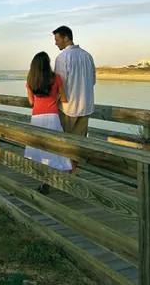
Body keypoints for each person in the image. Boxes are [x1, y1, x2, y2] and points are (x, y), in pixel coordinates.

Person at [24, 51, 73, 194]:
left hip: (37, 117)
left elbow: (31, 101)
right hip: (52, 116)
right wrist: (57, 97)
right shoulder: (55, 78)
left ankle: (43, 178)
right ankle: (54, 177)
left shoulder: (30, 80)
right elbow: (64, 98)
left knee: (39, 147)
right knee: (55, 146)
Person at [53, 26, 96, 174]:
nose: (56, 43)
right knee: (78, 143)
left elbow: (59, 83)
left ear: (66, 38)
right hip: (86, 105)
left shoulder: (63, 57)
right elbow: (93, 80)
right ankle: (73, 170)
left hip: (68, 106)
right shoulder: (87, 56)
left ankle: (65, 172)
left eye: (57, 40)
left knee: (65, 141)